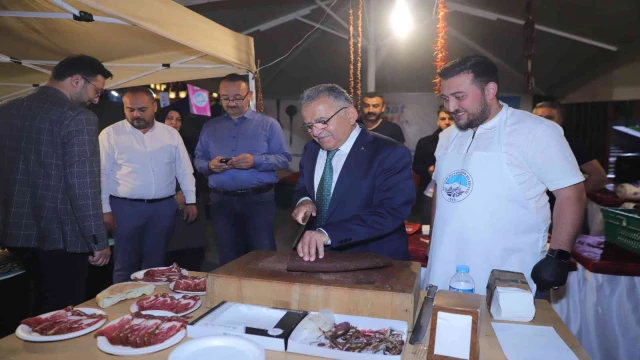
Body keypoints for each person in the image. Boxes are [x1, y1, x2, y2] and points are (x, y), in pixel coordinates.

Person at [425, 55, 586, 295]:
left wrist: (559, 256)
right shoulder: (447, 137)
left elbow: (571, 194)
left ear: (490, 90)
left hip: (509, 270)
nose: (450, 107)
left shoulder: (537, 131)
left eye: (459, 97)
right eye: (446, 98)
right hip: (446, 266)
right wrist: (434, 244)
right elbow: (441, 189)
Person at [0, 55, 112, 314]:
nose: (96, 99)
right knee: (63, 310)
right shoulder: (78, 118)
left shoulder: (7, 110)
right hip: (62, 236)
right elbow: (82, 185)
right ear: (76, 80)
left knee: (35, 303)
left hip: (15, 232)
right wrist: (98, 240)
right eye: (97, 91)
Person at [292, 84, 415, 262]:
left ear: (350, 115)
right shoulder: (311, 149)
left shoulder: (389, 153)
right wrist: (304, 201)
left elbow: (391, 211)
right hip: (319, 258)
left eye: (323, 121)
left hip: (372, 261)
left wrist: (329, 234)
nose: (316, 132)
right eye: (309, 126)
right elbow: (302, 186)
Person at [100, 88, 197, 283]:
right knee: (125, 263)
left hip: (164, 208)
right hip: (125, 208)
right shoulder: (110, 134)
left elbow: (184, 170)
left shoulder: (170, 134)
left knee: (157, 264)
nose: (136, 114)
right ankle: (122, 307)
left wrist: (191, 200)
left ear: (154, 107)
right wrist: (104, 209)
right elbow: (101, 174)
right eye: (130, 110)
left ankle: (153, 308)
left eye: (142, 109)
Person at [194, 73, 291, 266]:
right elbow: (198, 159)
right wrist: (209, 166)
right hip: (221, 201)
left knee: (263, 255)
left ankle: (264, 295)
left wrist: (255, 161)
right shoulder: (210, 127)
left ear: (250, 95)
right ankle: (230, 296)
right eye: (225, 98)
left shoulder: (268, 125)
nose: (231, 103)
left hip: (258, 201)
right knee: (228, 255)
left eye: (237, 97)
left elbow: (284, 159)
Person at [161, 108, 208, 270]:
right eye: (169, 118)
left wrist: (187, 195)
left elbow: (197, 173)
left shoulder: (188, 142)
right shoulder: (151, 143)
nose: (174, 122)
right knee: (167, 259)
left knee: (192, 257)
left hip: (191, 203)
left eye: (178, 119)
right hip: (166, 205)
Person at [532, 101, 607, 195]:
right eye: (537, 118)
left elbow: (599, 177)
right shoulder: (520, 143)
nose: (542, 122)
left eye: (549, 118)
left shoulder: (571, 145)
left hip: (557, 207)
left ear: (559, 121)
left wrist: (572, 197)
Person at [413, 106, 454, 224]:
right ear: (437, 121)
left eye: (450, 118)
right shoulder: (425, 142)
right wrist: (428, 169)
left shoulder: (464, 142)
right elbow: (415, 166)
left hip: (455, 193)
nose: (447, 122)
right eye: (443, 119)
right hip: (429, 193)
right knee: (427, 228)